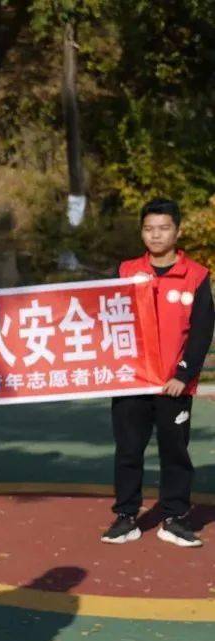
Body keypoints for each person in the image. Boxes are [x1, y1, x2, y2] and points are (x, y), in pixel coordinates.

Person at [102, 198, 215, 548]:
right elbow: (103, 320)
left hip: (173, 385)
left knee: (175, 453)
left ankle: (175, 518)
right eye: (149, 228)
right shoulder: (124, 272)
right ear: (141, 232)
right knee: (128, 451)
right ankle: (125, 517)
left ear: (177, 231)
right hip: (131, 382)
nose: (156, 235)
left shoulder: (196, 275)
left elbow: (201, 331)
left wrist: (184, 374)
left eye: (164, 228)